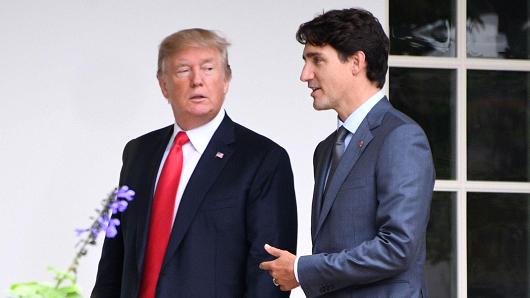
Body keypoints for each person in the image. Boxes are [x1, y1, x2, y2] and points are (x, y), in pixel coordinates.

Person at [92, 28, 297, 298]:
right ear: (163, 84)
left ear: (226, 80)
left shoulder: (263, 159)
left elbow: (268, 272)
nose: (197, 81)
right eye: (183, 70)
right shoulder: (138, 153)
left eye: (209, 68)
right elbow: (115, 256)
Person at [260, 8, 435, 298]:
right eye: (306, 61)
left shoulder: (401, 137)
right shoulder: (325, 150)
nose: (305, 74)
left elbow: (397, 248)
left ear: (356, 62)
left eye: (317, 60)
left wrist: (302, 270)